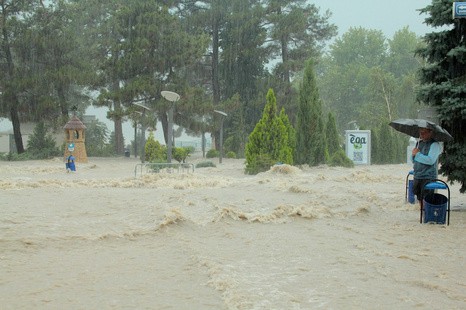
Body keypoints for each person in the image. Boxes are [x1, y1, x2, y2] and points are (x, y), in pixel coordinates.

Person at [411, 127, 441, 205]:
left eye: (424, 133)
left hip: (428, 177)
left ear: (430, 133)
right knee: (419, 198)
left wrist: (417, 154)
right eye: (420, 133)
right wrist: (413, 155)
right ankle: (423, 215)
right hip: (417, 176)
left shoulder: (435, 145)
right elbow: (413, 160)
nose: (421, 135)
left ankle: (427, 215)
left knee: (427, 199)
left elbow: (430, 160)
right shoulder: (418, 143)